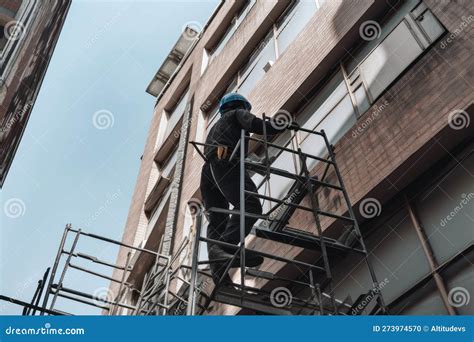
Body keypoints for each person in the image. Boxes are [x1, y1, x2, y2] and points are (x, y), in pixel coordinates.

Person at [200, 93, 298, 286]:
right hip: (225, 162)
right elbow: (256, 124)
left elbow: (240, 155)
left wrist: (260, 163)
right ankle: (225, 248)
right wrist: (282, 125)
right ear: (241, 106)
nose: (247, 113)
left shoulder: (218, 128)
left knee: (218, 220)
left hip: (209, 171)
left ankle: (220, 275)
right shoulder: (237, 113)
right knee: (250, 204)